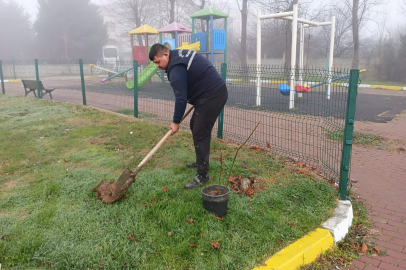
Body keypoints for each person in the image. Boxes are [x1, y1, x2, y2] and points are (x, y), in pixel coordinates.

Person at [149, 43, 228, 190]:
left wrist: (175, 122)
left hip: (213, 94)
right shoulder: (176, 57)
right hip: (207, 93)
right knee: (195, 126)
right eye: (155, 64)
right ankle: (201, 161)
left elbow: (180, 98)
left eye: (158, 62)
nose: (157, 66)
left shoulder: (175, 69)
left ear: (165, 55)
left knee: (200, 131)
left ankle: (203, 175)